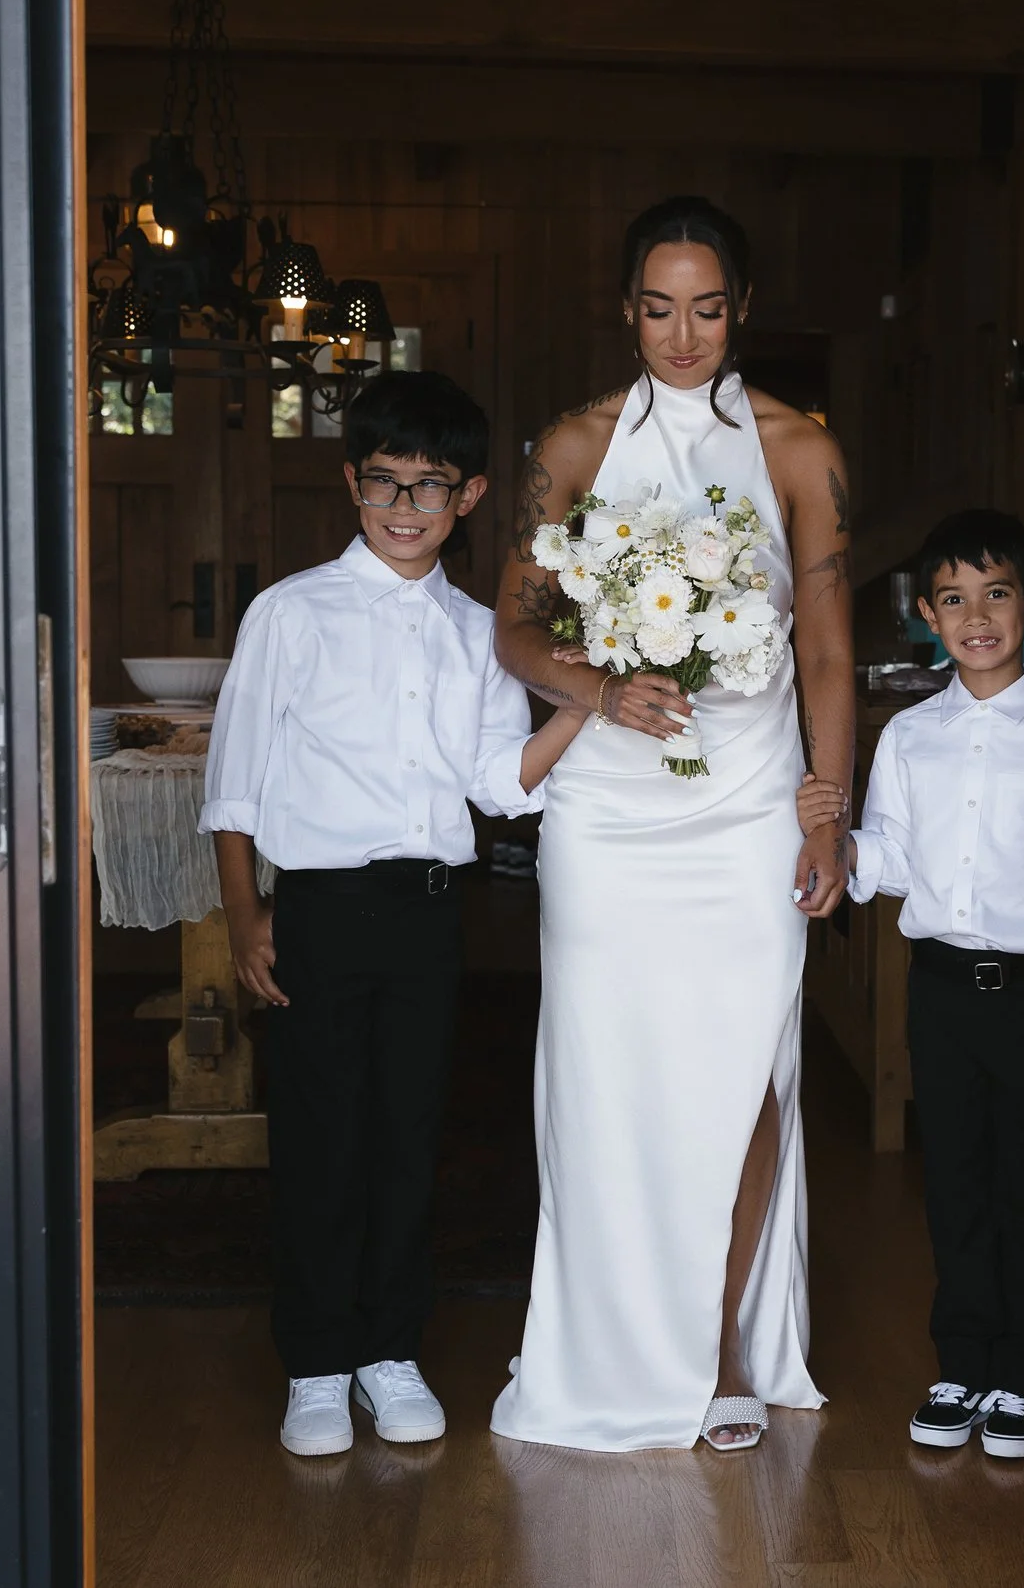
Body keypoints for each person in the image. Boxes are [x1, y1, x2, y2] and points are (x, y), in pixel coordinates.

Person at [486, 196, 855, 1453]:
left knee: (742, 1064)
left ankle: (722, 1347)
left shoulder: (802, 450)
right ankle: (606, 1341)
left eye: (705, 306)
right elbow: (516, 628)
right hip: (611, 810)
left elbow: (827, 650)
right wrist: (599, 687)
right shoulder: (574, 447)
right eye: (657, 307)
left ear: (739, 307)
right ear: (626, 308)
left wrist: (827, 815)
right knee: (609, 1076)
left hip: (748, 800)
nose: (681, 334)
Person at [200, 369, 587, 1458]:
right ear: (350, 484)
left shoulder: (479, 632)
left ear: (466, 498)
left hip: (425, 912)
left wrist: (582, 704)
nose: (406, 507)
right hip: (318, 909)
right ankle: (318, 1362)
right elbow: (236, 776)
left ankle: (389, 1350)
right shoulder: (291, 613)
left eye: (430, 487)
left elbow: (499, 784)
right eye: (385, 483)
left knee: (409, 1132)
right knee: (322, 1132)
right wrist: (244, 913)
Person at [797, 509, 1024, 1460]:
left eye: (995, 594)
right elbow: (890, 856)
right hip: (939, 990)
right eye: (953, 599)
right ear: (926, 616)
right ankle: (964, 1359)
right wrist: (837, 835)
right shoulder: (909, 736)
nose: (974, 616)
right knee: (955, 1176)